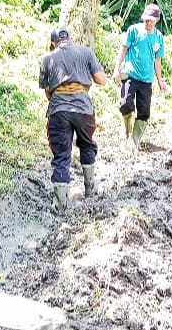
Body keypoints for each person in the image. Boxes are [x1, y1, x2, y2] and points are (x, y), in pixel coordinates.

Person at [38, 27, 108, 213]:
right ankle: (90, 189)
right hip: (84, 108)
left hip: (58, 110)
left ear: (53, 43)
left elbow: (48, 92)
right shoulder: (86, 52)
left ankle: (60, 204)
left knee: (61, 154)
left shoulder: (48, 58)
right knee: (87, 145)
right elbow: (102, 80)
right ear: (70, 39)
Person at [114, 3, 167, 149]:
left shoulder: (158, 37)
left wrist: (160, 81)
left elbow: (157, 60)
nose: (147, 22)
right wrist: (116, 68)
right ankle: (127, 130)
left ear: (157, 20)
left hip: (146, 79)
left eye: (151, 20)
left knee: (144, 112)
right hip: (130, 74)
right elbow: (123, 49)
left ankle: (135, 141)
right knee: (125, 105)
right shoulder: (134, 30)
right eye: (145, 19)